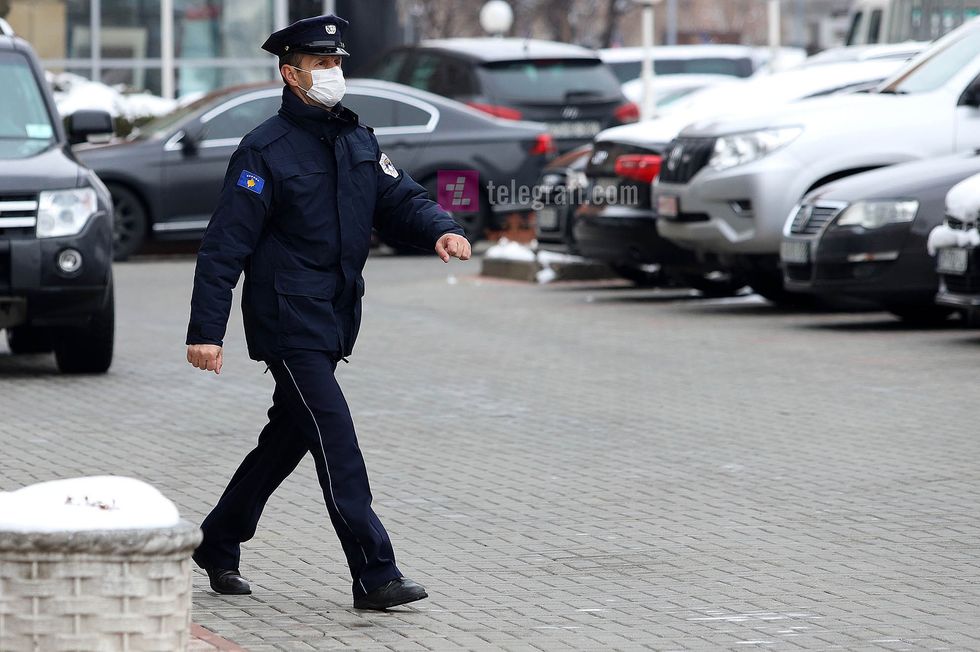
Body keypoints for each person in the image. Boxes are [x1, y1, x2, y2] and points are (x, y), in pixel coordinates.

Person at [184, 14, 471, 611]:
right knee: (334, 438)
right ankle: (375, 572)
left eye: (338, 63)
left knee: (287, 438)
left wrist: (440, 228)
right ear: (291, 74)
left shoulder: (355, 138)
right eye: (320, 64)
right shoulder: (262, 150)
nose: (333, 73)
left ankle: (216, 541)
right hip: (288, 320)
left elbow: (400, 198)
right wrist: (206, 332)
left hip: (334, 315)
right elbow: (224, 245)